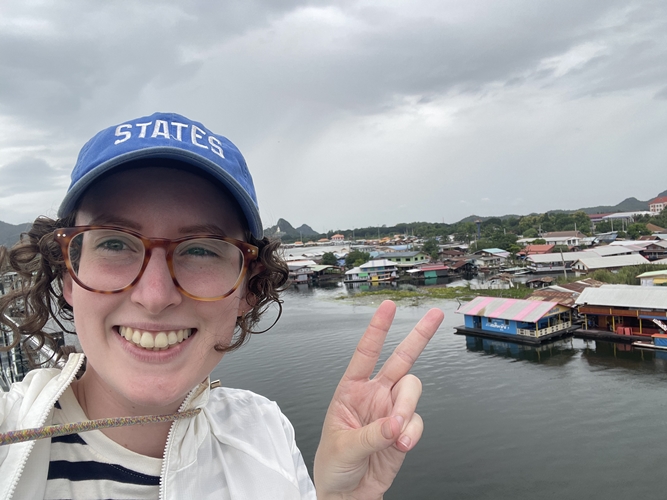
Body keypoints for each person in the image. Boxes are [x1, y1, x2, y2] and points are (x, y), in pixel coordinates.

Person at [0, 112, 444, 499]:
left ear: (247, 289)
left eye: (201, 250)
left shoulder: (265, 434)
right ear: (68, 275)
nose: (155, 296)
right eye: (115, 243)